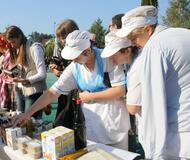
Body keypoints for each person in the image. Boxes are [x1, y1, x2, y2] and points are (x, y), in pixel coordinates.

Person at [12, 30, 130, 150]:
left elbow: (120, 90)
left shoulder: (108, 58)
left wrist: (90, 97)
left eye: (76, 56)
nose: (73, 60)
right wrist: (28, 113)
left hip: (114, 126)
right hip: (91, 126)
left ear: (88, 51)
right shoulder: (75, 67)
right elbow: (52, 92)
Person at [116, 5, 190, 159]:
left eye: (133, 37)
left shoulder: (154, 48)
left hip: (178, 137)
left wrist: (154, 153)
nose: (133, 43)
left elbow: (154, 105)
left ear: (148, 29)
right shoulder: (184, 33)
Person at [5, 26, 47, 119]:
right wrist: (13, 74)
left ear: (19, 37)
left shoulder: (35, 48)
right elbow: (24, 70)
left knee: (31, 125)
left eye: (13, 42)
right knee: (20, 123)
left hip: (33, 92)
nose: (12, 45)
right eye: (10, 43)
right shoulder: (18, 48)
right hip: (20, 92)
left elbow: (42, 74)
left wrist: (26, 80)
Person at [52, 19, 79, 118]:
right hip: (64, 90)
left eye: (64, 37)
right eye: (60, 38)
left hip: (79, 91)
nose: (62, 41)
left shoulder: (84, 48)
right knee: (62, 119)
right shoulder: (59, 49)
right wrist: (56, 70)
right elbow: (54, 65)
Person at [0, 33, 17, 110]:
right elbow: (5, 73)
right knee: (11, 110)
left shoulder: (10, 54)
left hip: (12, 86)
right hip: (10, 85)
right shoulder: (8, 53)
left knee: (13, 111)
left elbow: (11, 72)